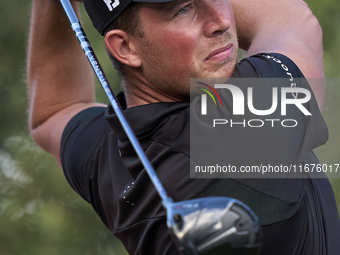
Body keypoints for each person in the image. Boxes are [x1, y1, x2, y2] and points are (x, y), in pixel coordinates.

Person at [27, 0, 340, 254]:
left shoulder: (108, 152)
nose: (221, 20)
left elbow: (55, 111)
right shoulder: (241, 121)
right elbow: (292, 20)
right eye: (184, 8)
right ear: (125, 48)